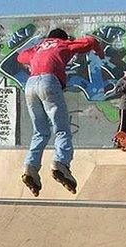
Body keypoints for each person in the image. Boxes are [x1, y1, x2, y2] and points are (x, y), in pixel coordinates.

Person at [17, 28, 105, 197]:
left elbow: (21, 56)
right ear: (62, 38)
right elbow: (90, 41)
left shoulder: (38, 48)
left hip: (30, 86)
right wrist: (99, 52)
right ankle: (61, 163)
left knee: (40, 132)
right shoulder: (62, 43)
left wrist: (38, 48)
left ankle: (30, 167)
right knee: (62, 129)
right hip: (49, 82)